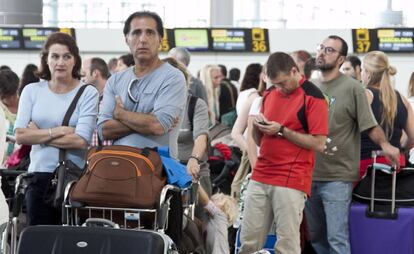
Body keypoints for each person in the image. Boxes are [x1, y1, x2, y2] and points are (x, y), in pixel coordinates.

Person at [305, 35, 400, 254]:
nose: (321, 53)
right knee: (317, 238)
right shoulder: (309, 86)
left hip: (338, 177)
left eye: (329, 50)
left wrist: (385, 145)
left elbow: (370, 125)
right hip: (309, 175)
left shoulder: (353, 88)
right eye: (321, 47)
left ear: (341, 59)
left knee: (337, 239)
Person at [239, 52, 329, 254]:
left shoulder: (313, 97)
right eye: (275, 84)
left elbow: (319, 143)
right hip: (262, 174)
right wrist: (256, 127)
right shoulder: (270, 94)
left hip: (291, 177)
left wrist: (282, 130)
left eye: (283, 82)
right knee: (248, 241)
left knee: (287, 244)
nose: (279, 88)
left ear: (295, 71)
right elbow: (259, 140)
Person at [14, 32, 99, 225]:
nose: (60, 62)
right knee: (39, 242)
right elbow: (20, 135)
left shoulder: (87, 93)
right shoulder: (32, 91)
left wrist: (37, 133)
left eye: (66, 56)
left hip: (72, 179)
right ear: (46, 59)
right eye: (55, 56)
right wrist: (58, 131)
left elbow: (80, 140)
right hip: (38, 177)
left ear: (75, 60)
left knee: (70, 242)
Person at [97, 11, 186, 159]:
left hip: (158, 170)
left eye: (150, 33)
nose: (143, 39)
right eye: (136, 33)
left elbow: (157, 126)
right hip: (117, 165)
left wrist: (120, 114)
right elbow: (104, 130)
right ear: (127, 39)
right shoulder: (115, 81)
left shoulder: (173, 78)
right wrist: (148, 121)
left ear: (160, 40)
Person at [360, 51, 414, 177]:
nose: (361, 74)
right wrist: (401, 150)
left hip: (366, 164)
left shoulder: (365, 95)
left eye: (362, 70)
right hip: (396, 163)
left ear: (368, 73)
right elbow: (412, 138)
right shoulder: (402, 99)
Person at [230, 63, 262, 200]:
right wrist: (251, 151)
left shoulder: (243, 94)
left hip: (247, 146)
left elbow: (236, 132)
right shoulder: (255, 97)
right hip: (255, 149)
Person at [198, 184, 238, 254]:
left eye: (215, 200)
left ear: (223, 206)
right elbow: (196, 223)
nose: (211, 200)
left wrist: (196, 183)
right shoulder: (211, 220)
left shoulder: (220, 217)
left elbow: (205, 201)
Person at [81, 57, 112, 147]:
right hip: (93, 156)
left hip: (110, 156)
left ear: (95, 73)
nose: (82, 78)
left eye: (84, 72)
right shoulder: (89, 97)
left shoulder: (115, 97)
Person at [0, 69, 21, 165]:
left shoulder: (26, 106)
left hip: (21, 163)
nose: (11, 99)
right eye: (5, 96)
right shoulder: (1, 108)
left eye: (13, 95)